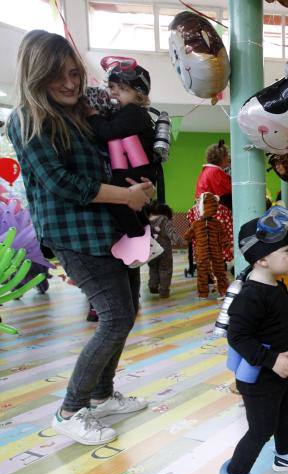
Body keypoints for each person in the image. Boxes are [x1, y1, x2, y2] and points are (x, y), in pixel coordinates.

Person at [7, 30, 154, 445]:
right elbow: (61, 182)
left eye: (74, 73)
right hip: (75, 236)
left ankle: (103, 395)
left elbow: (111, 165)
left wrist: (141, 188)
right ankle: (70, 409)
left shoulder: (82, 113)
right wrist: (125, 196)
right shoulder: (26, 119)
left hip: (111, 229)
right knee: (114, 317)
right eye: (57, 76)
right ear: (35, 77)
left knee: (128, 309)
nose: (70, 83)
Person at [219, 207, 288, 474]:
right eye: (287, 250)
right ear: (261, 259)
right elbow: (237, 336)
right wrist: (272, 360)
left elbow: (282, 307)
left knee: (286, 414)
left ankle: (285, 455)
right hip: (261, 377)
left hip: (279, 372)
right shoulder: (250, 296)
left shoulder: (274, 285)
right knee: (261, 429)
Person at [87, 57, 163, 266]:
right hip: (134, 169)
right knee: (131, 207)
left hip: (137, 171)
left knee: (119, 201)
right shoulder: (127, 113)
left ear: (138, 95)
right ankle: (141, 238)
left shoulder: (134, 113)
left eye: (122, 89)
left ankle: (139, 238)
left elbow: (109, 132)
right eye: (112, 88)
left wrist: (93, 116)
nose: (114, 93)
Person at [189, 140, 234, 276]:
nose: (229, 161)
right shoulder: (216, 172)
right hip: (214, 212)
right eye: (228, 158)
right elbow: (227, 195)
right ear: (222, 158)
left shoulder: (206, 171)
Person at [148, 202, 182, 298]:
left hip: (151, 250)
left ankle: (153, 286)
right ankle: (164, 291)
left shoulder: (147, 220)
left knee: (153, 268)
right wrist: (181, 241)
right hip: (164, 251)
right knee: (165, 270)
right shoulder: (164, 220)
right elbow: (171, 233)